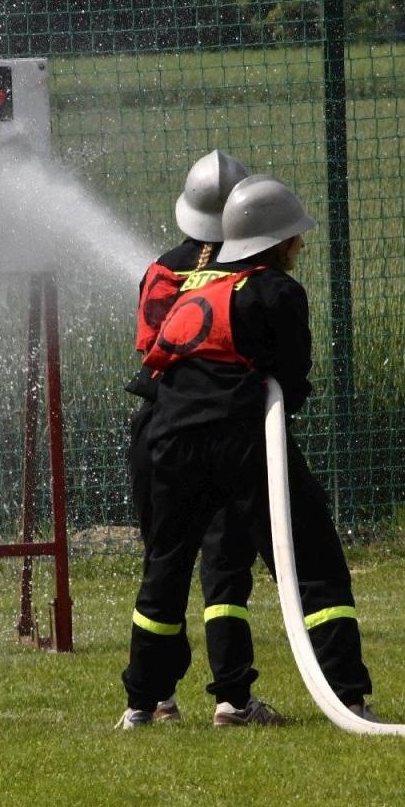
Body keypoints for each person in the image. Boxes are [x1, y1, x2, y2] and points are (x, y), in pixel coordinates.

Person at [119, 176, 374, 728]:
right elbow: (292, 380)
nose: (301, 246)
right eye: (295, 238)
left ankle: (142, 704)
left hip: (169, 442)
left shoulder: (194, 289)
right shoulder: (277, 292)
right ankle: (349, 697)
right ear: (276, 242)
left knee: (165, 569)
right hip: (241, 438)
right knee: (313, 560)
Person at [121, 149, 250, 726]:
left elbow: (151, 347)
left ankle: (155, 699)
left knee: (164, 563)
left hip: (161, 431)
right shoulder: (253, 272)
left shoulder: (161, 270)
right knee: (225, 567)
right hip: (229, 430)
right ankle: (232, 699)